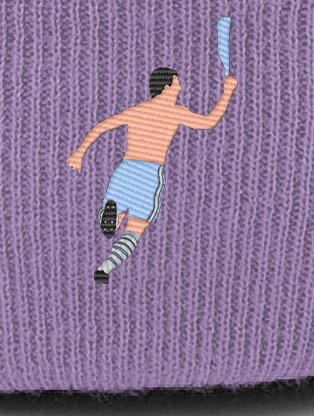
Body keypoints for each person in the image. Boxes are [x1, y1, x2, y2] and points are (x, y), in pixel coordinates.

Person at [67, 67, 238, 282]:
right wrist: (227, 92)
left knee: (115, 216)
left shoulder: (138, 110)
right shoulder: (175, 112)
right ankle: (106, 268)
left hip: (126, 171)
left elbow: (102, 126)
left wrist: (79, 153)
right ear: (165, 87)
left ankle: (110, 216)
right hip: (148, 176)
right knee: (135, 229)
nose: (180, 88)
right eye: (176, 84)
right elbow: (208, 122)